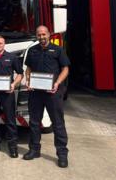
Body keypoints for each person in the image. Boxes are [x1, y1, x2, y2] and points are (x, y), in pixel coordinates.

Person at [23, 25, 70, 168]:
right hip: (36, 93)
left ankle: (62, 154)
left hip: (53, 93)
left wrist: (57, 83)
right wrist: (29, 81)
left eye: (44, 34)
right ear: (36, 36)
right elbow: (29, 69)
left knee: (58, 123)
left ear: (49, 34)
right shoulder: (32, 50)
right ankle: (34, 150)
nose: (42, 37)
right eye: (39, 35)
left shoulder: (58, 50)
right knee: (34, 123)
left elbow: (65, 69)